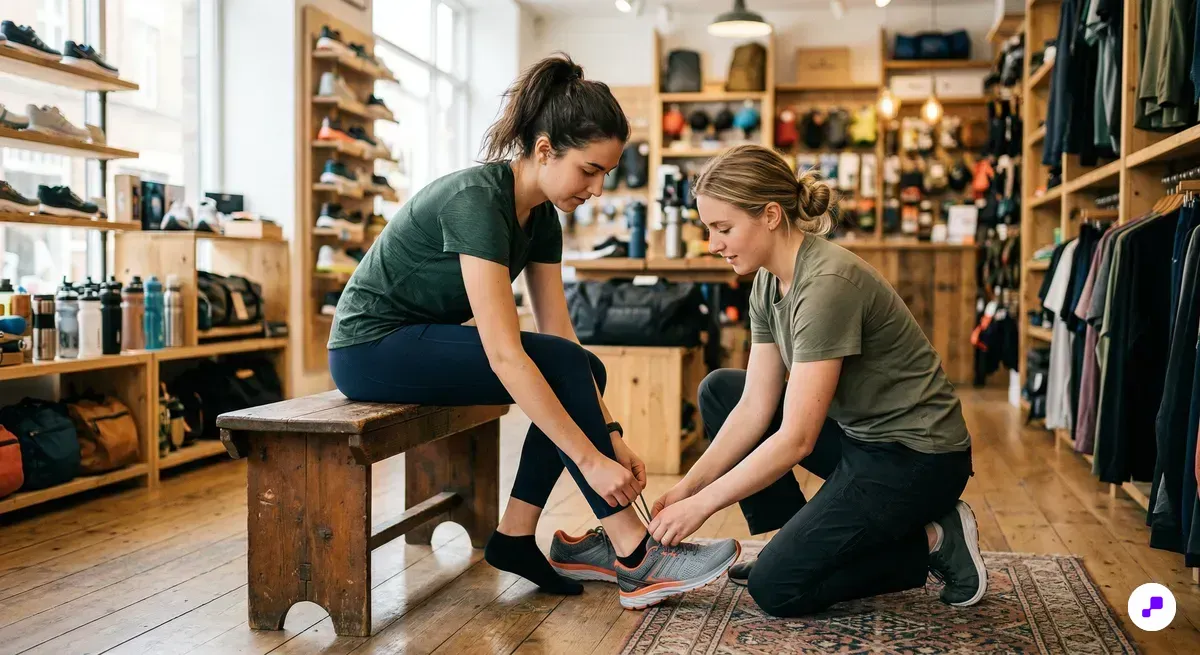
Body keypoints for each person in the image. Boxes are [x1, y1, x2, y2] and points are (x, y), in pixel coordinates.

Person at [326, 54, 739, 610]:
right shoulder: (476, 200)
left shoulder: (542, 216)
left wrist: (612, 436)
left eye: (605, 175)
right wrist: (593, 463)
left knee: (580, 364)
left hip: (416, 339)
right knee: (558, 367)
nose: (596, 188)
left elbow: (562, 337)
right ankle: (636, 555)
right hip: (368, 348)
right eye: (589, 170)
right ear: (545, 149)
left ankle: (515, 535)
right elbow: (504, 352)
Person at [647, 144, 986, 617]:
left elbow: (797, 440)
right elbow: (753, 406)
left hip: (918, 459)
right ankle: (798, 539)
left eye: (723, 228)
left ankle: (935, 540)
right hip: (860, 439)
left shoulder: (828, 283)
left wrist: (700, 506)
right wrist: (687, 487)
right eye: (709, 229)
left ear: (769, 215)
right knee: (722, 389)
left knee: (777, 589)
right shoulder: (768, 281)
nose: (713, 244)